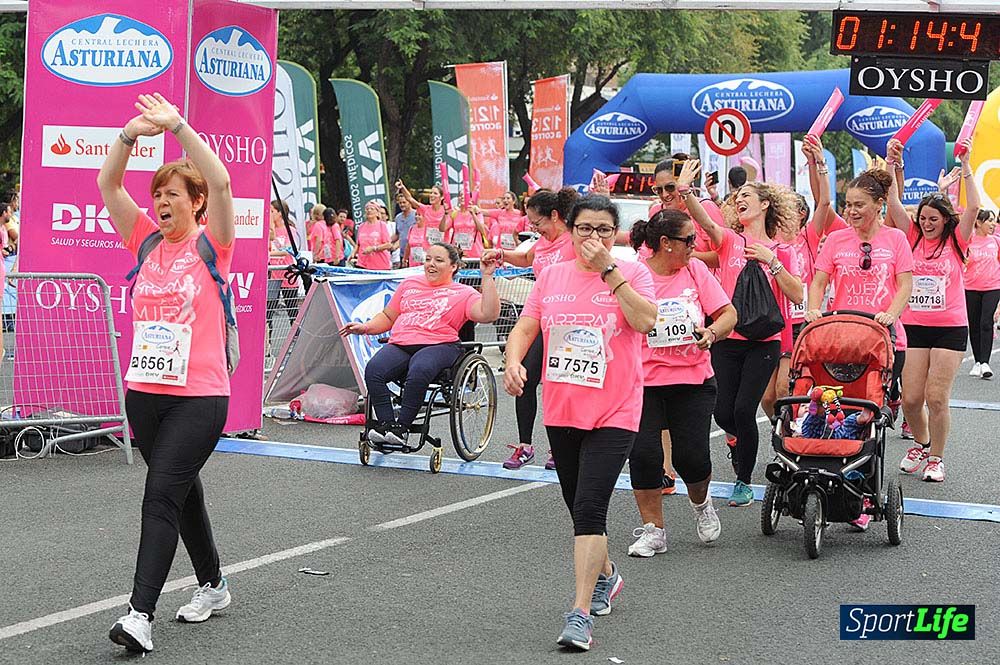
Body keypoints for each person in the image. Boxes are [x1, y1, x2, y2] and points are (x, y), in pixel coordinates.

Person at [98, 93, 235, 653]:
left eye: (172, 194)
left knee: (160, 494)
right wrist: (128, 137)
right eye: (156, 195)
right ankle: (214, 585)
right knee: (183, 495)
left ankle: (138, 616)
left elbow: (223, 182)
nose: (160, 203)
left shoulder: (213, 245)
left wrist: (177, 125)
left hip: (199, 397)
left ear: (195, 201)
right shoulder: (146, 240)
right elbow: (109, 187)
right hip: (144, 394)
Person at [503, 195, 656, 651]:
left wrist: (611, 270)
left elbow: (646, 321)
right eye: (585, 229)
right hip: (563, 408)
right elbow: (526, 328)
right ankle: (608, 574)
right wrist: (513, 361)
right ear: (569, 231)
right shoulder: (551, 276)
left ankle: (579, 614)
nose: (594, 238)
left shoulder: (633, 272)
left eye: (604, 230)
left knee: (590, 509)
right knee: (577, 507)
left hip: (616, 410)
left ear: (616, 234)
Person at [685, 163, 804, 507]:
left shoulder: (783, 249)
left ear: (765, 205)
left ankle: (743, 480)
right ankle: (740, 442)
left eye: (746, 196)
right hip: (727, 338)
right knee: (723, 413)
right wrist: (686, 191)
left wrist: (772, 261)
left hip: (763, 341)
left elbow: (797, 296)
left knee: (742, 409)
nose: (739, 200)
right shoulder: (729, 242)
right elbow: (706, 223)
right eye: (737, 196)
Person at [626, 210, 737, 556]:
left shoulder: (696, 270)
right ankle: (653, 530)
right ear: (665, 244)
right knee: (644, 455)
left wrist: (713, 332)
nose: (695, 245)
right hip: (642, 380)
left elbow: (728, 314)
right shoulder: (633, 273)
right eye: (689, 240)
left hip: (692, 378)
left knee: (692, 459)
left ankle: (702, 505)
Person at [805, 166, 913, 506]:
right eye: (848, 204)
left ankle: (863, 494)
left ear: (879, 204)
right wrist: (812, 309)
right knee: (833, 406)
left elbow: (905, 283)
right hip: (840, 340)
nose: (851, 211)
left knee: (868, 416)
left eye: (858, 205)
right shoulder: (836, 239)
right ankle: (829, 475)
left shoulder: (895, 239)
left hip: (885, 340)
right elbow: (820, 280)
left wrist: (891, 314)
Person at [884, 138, 979, 483]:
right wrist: (894, 163)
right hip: (915, 327)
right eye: (922, 218)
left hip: (950, 328)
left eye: (933, 218)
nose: (926, 223)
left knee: (936, 397)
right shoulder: (909, 238)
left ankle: (937, 458)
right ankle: (921, 444)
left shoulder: (957, 240)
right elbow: (893, 200)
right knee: (910, 400)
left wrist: (966, 167)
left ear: (944, 220)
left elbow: (972, 208)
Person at [340, 243, 500, 444]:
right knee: (374, 370)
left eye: (439, 260)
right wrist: (365, 327)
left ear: (453, 266)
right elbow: (388, 316)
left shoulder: (464, 292)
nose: (431, 264)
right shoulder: (409, 285)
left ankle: (402, 428)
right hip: (402, 342)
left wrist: (487, 276)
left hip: (440, 344)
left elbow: (489, 313)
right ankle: (386, 426)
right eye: (428, 259)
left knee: (420, 368)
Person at [482, 188, 579, 471]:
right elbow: (526, 260)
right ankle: (525, 446)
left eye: (537, 223)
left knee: (560, 384)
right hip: (540, 319)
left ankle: (559, 446)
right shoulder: (542, 243)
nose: (534, 228)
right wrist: (500, 254)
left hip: (568, 323)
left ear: (555, 215)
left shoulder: (572, 240)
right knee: (524, 378)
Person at [964, 208, 999, 379]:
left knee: (986, 323)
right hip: (970, 288)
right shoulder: (968, 241)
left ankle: (985, 362)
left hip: (992, 287)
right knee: (975, 325)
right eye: (989, 221)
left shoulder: (996, 242)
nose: (993, 224)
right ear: (978, 222)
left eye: (993, 221)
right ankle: (977, 361)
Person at [266, 200, 299, 341]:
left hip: (287, 274)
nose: (270, 214)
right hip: (273, 274)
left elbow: (289, 251)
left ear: (280, 213)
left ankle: (297, 341)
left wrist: (269, 254)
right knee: (268, 311)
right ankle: (267, 347)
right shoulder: (269, 231)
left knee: (292, 310)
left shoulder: (290, 230)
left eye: (272, 211)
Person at [396, 180, 449, 244]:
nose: (432, 195)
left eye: (435, 193)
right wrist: (402, 187)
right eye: (431, 193)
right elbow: (410, 199)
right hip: (428, 248)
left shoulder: (446, 210)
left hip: (442, 248)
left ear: (442, 197)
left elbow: (445, 229)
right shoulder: (426, 209)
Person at [354, 201, 394, 270]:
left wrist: (373, 248)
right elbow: (358, 244)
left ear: (377, 213)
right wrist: (352, 254)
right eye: (367, 209)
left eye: (372, 209)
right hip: (363, 264)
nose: (369, 210)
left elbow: (388, 245)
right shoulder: (361, 226)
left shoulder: (382, 225)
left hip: (380, 264)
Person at [394, 193, 418, 267]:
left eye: (404, 202)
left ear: (409, 202)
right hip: (402, 253)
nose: (402, 205)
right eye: (400, 203)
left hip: (415, 253)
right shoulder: (398, 218)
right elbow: (397, 234)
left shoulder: (416, 215)